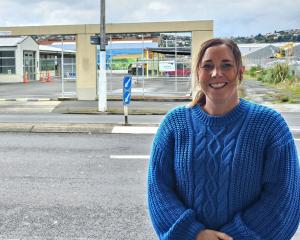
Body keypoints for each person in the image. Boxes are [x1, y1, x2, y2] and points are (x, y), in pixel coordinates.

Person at [147, 38, 300, 240]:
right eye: (207, 66)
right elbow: (158, 188)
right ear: (198, 73)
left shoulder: (269, 126)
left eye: (226, 65)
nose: (216, 73)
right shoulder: (175, 124)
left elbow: (284, 198)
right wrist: (195, 234)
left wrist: (231, 237)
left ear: (240, 72)